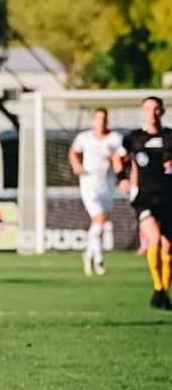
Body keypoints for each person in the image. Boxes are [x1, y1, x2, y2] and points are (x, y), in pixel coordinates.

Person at [117, 97, 172, 309]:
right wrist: (121, 177)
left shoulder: (170, 137)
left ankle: (162, 293)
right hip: (145, 198)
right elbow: (118, 158)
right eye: (148, 109)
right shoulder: (133, 138)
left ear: (162, 112)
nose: (152, 113)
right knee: (155, 240)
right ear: (143, 112)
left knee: (168, 247)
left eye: (156, 109)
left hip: (169, 197)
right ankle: (159, 288)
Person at [68, 108, 124, 276]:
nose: (101, 122)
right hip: (88, 183)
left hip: (107, 184)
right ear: (94, 120)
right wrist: (76, 165)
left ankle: (88, 254)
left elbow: (121, 158)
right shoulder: (84, 137)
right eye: (98, 119)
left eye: (104, 119)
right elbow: (73, 152)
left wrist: (117, 162)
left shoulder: (115, 138)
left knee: (99, 222)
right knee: (98, 217)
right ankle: (99, 259)